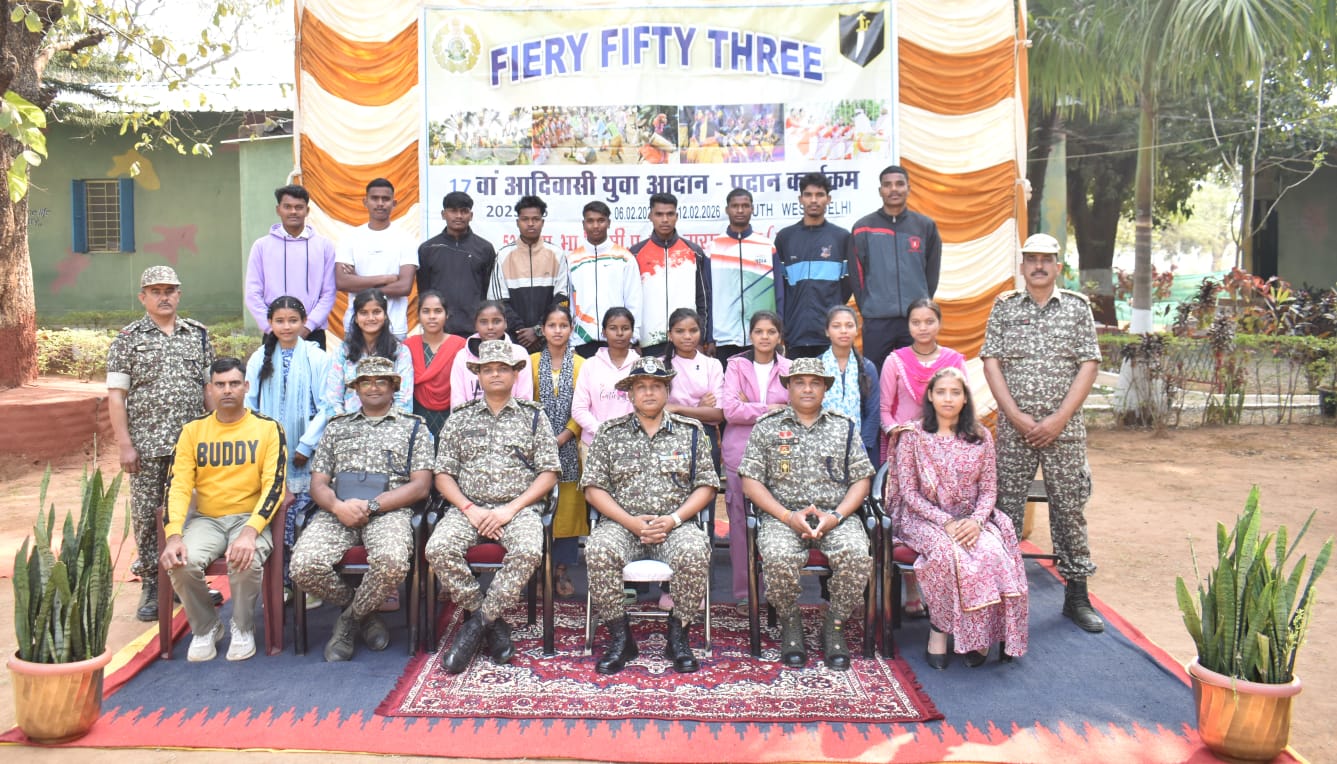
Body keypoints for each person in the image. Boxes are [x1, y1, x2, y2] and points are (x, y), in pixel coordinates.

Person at [981, 232, 1103, 633]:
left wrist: (1059, 419)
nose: (1038, 265)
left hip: (1063, 431)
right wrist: (1014, 415)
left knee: (1069, 509)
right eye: (1031, 259)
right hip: (1014, 431)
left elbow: (1089, 364)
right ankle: (1001, 594)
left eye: (1046, 259)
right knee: (1004, 511)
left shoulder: (1076, 308)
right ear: (1022, 266)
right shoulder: (1005, 307)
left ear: (1057, 266)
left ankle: (1077, 596)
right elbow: (991, 362)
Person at [290, 357, 434, 662]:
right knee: (302, 566)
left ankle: (349, 621)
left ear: (393, 387)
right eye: (366, 382)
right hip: (337, 512)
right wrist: (336, 506)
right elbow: (318, 483)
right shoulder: (337, 428)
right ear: (356, 388)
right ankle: (366, 615)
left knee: (392, 562)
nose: (373, 387)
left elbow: (421, 486)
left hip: (389, 512)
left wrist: (372, 505)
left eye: (381, 381)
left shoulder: (413, 428)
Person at [428, 341, 561, 673]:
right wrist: (468, 507)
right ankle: (493, 625)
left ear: (515, 374)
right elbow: (442, 475)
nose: (496, 374)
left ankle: (475, 626)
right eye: (488, 369)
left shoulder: (534, 416)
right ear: (478, 375)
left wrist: (510, 510)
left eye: (503, 368)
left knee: (528, 550)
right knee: (438, 548)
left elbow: (549, 473)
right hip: (467, 509)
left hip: (518, 510)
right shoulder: (460, 418)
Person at [582, 357, 719, 675]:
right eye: (641, 386)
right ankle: (621, 638)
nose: (648, 392)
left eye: (656, 386)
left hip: (674, 525)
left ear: (667, 391)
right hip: (622, 525)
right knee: (598, 549)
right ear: (630, 394)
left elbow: (706, 486)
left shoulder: (690, 432)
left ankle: (678, 636)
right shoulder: (610, 433)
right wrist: (631, 523)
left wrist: (673, 519)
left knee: (696, 549)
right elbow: (593, 489)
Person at [738, 357, 874, 670]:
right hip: (782, 517)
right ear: (788, 388)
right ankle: (791, 622)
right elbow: (750, 481)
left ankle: (834, 624)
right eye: (800, 382)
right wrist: (787, 516)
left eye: (815, 383)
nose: (808, 389)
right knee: (777, 557)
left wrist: (836, 516)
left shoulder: (843, 427)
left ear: (825, 388)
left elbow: (861, 479)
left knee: (857, 554)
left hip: (835, 516)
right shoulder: (767, 427)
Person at [895, 367, 1028, 667]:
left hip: (971, 519)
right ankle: (939, 630)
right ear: (930, 396)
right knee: (946, 555)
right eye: (941, 392)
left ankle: (980, 636)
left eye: (955, 392)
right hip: (923, 519)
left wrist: (977, 521)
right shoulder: (913, 436)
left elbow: (989, 489)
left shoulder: (980, 437)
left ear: (965, 398)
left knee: (991, 552)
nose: (948, 398)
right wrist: (946, 522)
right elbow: (909, 493)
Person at [107, 265, 215, 621]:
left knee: (195, 512)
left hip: (192, 446)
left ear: (179, 294)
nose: (163, 297)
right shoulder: (128, 339)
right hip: (147, 447)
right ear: (143, 297)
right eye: (156, 291)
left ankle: (189, 581)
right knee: (147, 516)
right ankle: (153, 586)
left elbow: (209, 389)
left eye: (170, 290)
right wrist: (125, 444)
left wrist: (217, 434)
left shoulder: (198, 335)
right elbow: (117, 397)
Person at [161, 357, 287, 662]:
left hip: (249, 518)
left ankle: (242, 627)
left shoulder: (268, 429)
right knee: (180, 561)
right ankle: (206, 627)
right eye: (220, 384)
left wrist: (250, 532)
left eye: (234, 383)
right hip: (207, 519)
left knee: (245, 558)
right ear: (209, 389)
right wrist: (174, 535)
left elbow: (275, 486)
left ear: (246, 386)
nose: (227, 390)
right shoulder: (192, 431)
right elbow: (177, 486)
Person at [877, 297, 967, 618]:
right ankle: (913, 591)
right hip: (906, 455)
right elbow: (884, 411)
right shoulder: (895, 361)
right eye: (916, 322)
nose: (923, 328)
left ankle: (947, 593)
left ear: (939, 323)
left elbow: (963, 406)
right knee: (911, 521)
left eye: (929, 321)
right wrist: (900, 433)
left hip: (945, 456)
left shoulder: (954, 361)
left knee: (945, 520)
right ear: (908, 325)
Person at [244, 296, 332, 594]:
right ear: (269, 323)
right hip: (267, 453)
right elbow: (250, 405)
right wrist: (262, 447)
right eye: (279, 321)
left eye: (293, 320)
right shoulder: (259, 357)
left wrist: (306, 445)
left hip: (305, 454)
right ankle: (280, 585)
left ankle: (307, 586)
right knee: (274, 518)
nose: (286, 327)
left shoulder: (317, 357)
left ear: (304, 322)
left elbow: (328, 406)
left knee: (303, 518)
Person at [720, 311, 790, 614]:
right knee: (739, 524)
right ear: (750, 335)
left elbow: (794, 410)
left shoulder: (789, 369)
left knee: (777, 520)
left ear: (779, 336)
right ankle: (745, 592)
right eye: (759, 331)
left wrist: (751, 406)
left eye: (771, 331)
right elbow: (730, 411)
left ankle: (777, 590)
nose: (764, 337)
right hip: (739, 452)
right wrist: (770, 408)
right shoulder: (736, 365)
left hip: (779, 451)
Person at [849, 165, 942, 369]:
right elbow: (857, 276)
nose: (894, 189)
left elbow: (931, 273)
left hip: (915, 320)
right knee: (874, 375)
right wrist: (870, 307)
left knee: (916, 373)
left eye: (899, 184)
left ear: (908, 188)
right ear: (880, 190)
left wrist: (920, 303)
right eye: (887, 185)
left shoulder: (925, 226)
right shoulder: (863, 227)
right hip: (877, 320)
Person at [530, 307, 586, 598]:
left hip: (570, 446)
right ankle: (539, 570)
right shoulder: (530, 363)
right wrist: (542, 439)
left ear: (571, 329)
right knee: (538, 506)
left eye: (563, 325)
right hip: (536, 446)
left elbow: (584, 405)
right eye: (551, 325)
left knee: (568, 510)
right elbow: (525, 402)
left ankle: (561, 569)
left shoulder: (582, 365)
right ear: (542, 329)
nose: (557, 330)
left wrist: (565, 435)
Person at [244, 184, 338, 348]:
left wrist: (308, 326)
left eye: (299, 207)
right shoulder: (262, 246)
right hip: (274, 333)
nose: (293, 212)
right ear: (278, 210)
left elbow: (328, 293)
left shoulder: (324, 246)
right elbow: (253, 293)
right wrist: (271, 327)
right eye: (287, 207)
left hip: (312, 332)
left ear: (307, 211)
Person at [773, 172, 852, 359]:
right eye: (808, 195)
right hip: (795, 332)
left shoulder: (841, 237)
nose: (814, 200)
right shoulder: (785, 238)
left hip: (830, 334)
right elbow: (780, 287)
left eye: (819, 195)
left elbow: (847, 285)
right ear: (800, 199)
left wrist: (831, 310)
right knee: (797, 379)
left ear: (828, 199)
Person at [625, 193, 712, 356]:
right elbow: (629, 301)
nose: (665, 220)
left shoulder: (694, 252)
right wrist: (634, 340)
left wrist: (701, 339)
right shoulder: (635, 254)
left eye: (670, 214)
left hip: (686, 340)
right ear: (650, 216)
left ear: (676, 216)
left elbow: (703, 299)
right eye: (659, 214)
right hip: (648, 342)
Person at [335, 178, 419, 340]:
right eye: (375, 198)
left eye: (385, 199)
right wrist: (385, 279)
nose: (380, 203)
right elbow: (342, 282)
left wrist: (358, 283)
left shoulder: (406, 239)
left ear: (394, 203)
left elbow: (404, 287)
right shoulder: (350, 238)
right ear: (365, 202)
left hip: (393, 327)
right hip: (356, 326)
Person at [489, 195, 570, 353]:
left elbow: (562, 299)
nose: (530, 223)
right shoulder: (503, 256)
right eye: (525, 219)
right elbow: (498, 302)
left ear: (542, 222)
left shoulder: (557, 254)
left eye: (535, 219)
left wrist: (538, 330)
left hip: (549, 340)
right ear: (517, 222)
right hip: (514, 340)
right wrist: (521, 332)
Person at [417, 191, 497, 339]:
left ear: (471, 215)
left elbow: (488, 292)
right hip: (439, 329)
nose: (459, 216)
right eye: (453, 211)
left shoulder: (484, 248)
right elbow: (424, 293)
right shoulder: (428, 249)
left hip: (474, 330)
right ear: (443, 214)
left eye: (464, 211)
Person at [709, 188, 776, 363]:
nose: (740, 210)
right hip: (724, 337)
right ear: (727, 209)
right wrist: (709, 336)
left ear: (752, 209)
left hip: (761, 335)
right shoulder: (713, 248)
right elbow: (707, 295)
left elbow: (780, 293)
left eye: (745, 206)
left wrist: (779, 329)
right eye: (735, 206)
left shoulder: (766, 246)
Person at [324, 288, 414, 416]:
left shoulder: (399, 351)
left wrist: (391, 424)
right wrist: (342, 423)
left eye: (376, 312)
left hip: (391, 424)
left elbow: (404, 399)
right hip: (348, 423)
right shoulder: (343, 351)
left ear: (385, 315)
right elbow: (333, 398)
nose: (371, 318)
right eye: (364, 313)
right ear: (356, 318)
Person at [567, 201, 636, 357]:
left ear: (609, 223)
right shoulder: (572, 259)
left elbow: (634, 301)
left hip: (617, 339)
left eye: (601, 220)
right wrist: (571, 342)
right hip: (581, 341)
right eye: (590, 221)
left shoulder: (624, 258)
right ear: (583, 224)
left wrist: (633, 338)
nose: (596, 226)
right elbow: (569, 302)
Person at [571, 307, 640, 452]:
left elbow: (648, 407)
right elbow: (578, 409)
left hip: (633, 444)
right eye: (613, 328)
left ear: (632, 332)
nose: (619, 333)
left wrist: (627, 435)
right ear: (603, 332)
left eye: (625, 328)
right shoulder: (590, 365)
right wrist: (603, 431)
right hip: (594, 444)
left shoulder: (641, 366)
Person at [820, 306, 882, 467]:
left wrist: (861, 448)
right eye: (836, 326)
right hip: (821, 448)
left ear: (856, 330)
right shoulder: (816, 366)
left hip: (861, 449)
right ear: (827, 331)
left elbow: (873, 412)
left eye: (849, 325)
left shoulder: (867, 367)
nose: (843, 331)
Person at [403, 290, 466, 438]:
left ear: (447, 314)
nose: (432, 316)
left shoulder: (460, 346)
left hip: (452, 418)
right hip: (417, 417)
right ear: (418, 315)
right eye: (426, 311)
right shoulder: (407, 347)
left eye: (438, 311)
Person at [448, 300, 534, 408]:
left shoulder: (519, 354)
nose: (490, 327)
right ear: (475, 325)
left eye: (496, 321)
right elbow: (457, 400)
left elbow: (525, 398)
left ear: (505, 323)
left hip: (514, 417)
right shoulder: (463, 357)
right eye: (483, 322)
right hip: (470, 418)